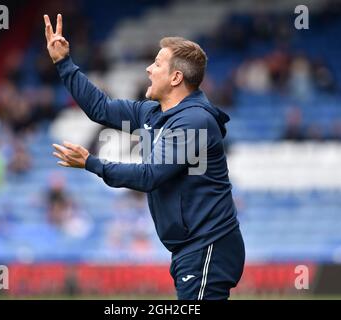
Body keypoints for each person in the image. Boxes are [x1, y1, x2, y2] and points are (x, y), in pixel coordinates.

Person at [44, 14, 245, 300]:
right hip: (192, 248)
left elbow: (150, 175)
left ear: (176, 77)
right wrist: (64, 63)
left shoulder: (194, 121)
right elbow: (100, 109)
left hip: (208, 244)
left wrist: (91, 163)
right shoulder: (152, 113)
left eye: (158, 64)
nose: (149, 69)